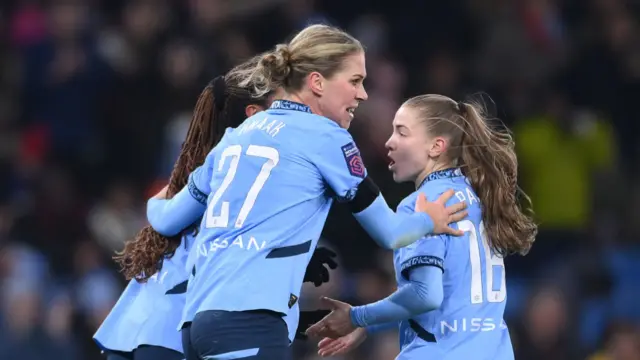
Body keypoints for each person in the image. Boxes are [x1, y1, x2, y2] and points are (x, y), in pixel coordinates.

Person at [140, 25, 468, 360]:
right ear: (317, 82)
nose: (363, 94)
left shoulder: (234, 137)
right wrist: (430, 219)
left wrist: (155, 196)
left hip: (196, 324)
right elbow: (391, 233)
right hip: (251, 321)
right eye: (355, 81)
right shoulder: (326, 137)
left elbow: (165, 219)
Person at [95, 59, 336, 360]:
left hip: (140, 326)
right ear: (255, 114)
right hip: (175, 330)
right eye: (284, 104)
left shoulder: (198, 173)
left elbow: (169, 220)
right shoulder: (243, 174)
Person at [307, 94, 538, 360]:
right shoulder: (478, 197)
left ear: (436, 146)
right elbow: (453, 295)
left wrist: (358, 317)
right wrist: (371, 324)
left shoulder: (424, 204)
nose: (389, 142)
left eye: (402, 133)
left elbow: (426, 295)